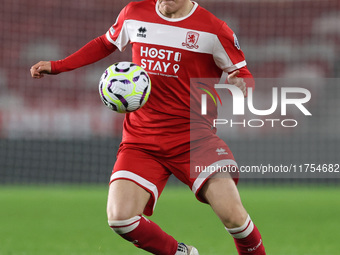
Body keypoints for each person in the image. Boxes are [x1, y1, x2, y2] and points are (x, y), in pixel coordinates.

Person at [30, 0, 266, 254]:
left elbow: (243, 75)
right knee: (120, 218)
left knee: (234, 218)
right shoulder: (134, 13)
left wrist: (242, 84)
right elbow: (105, 43)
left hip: (194, 139)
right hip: (141, 140)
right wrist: (59, 66)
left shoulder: (215, 30)